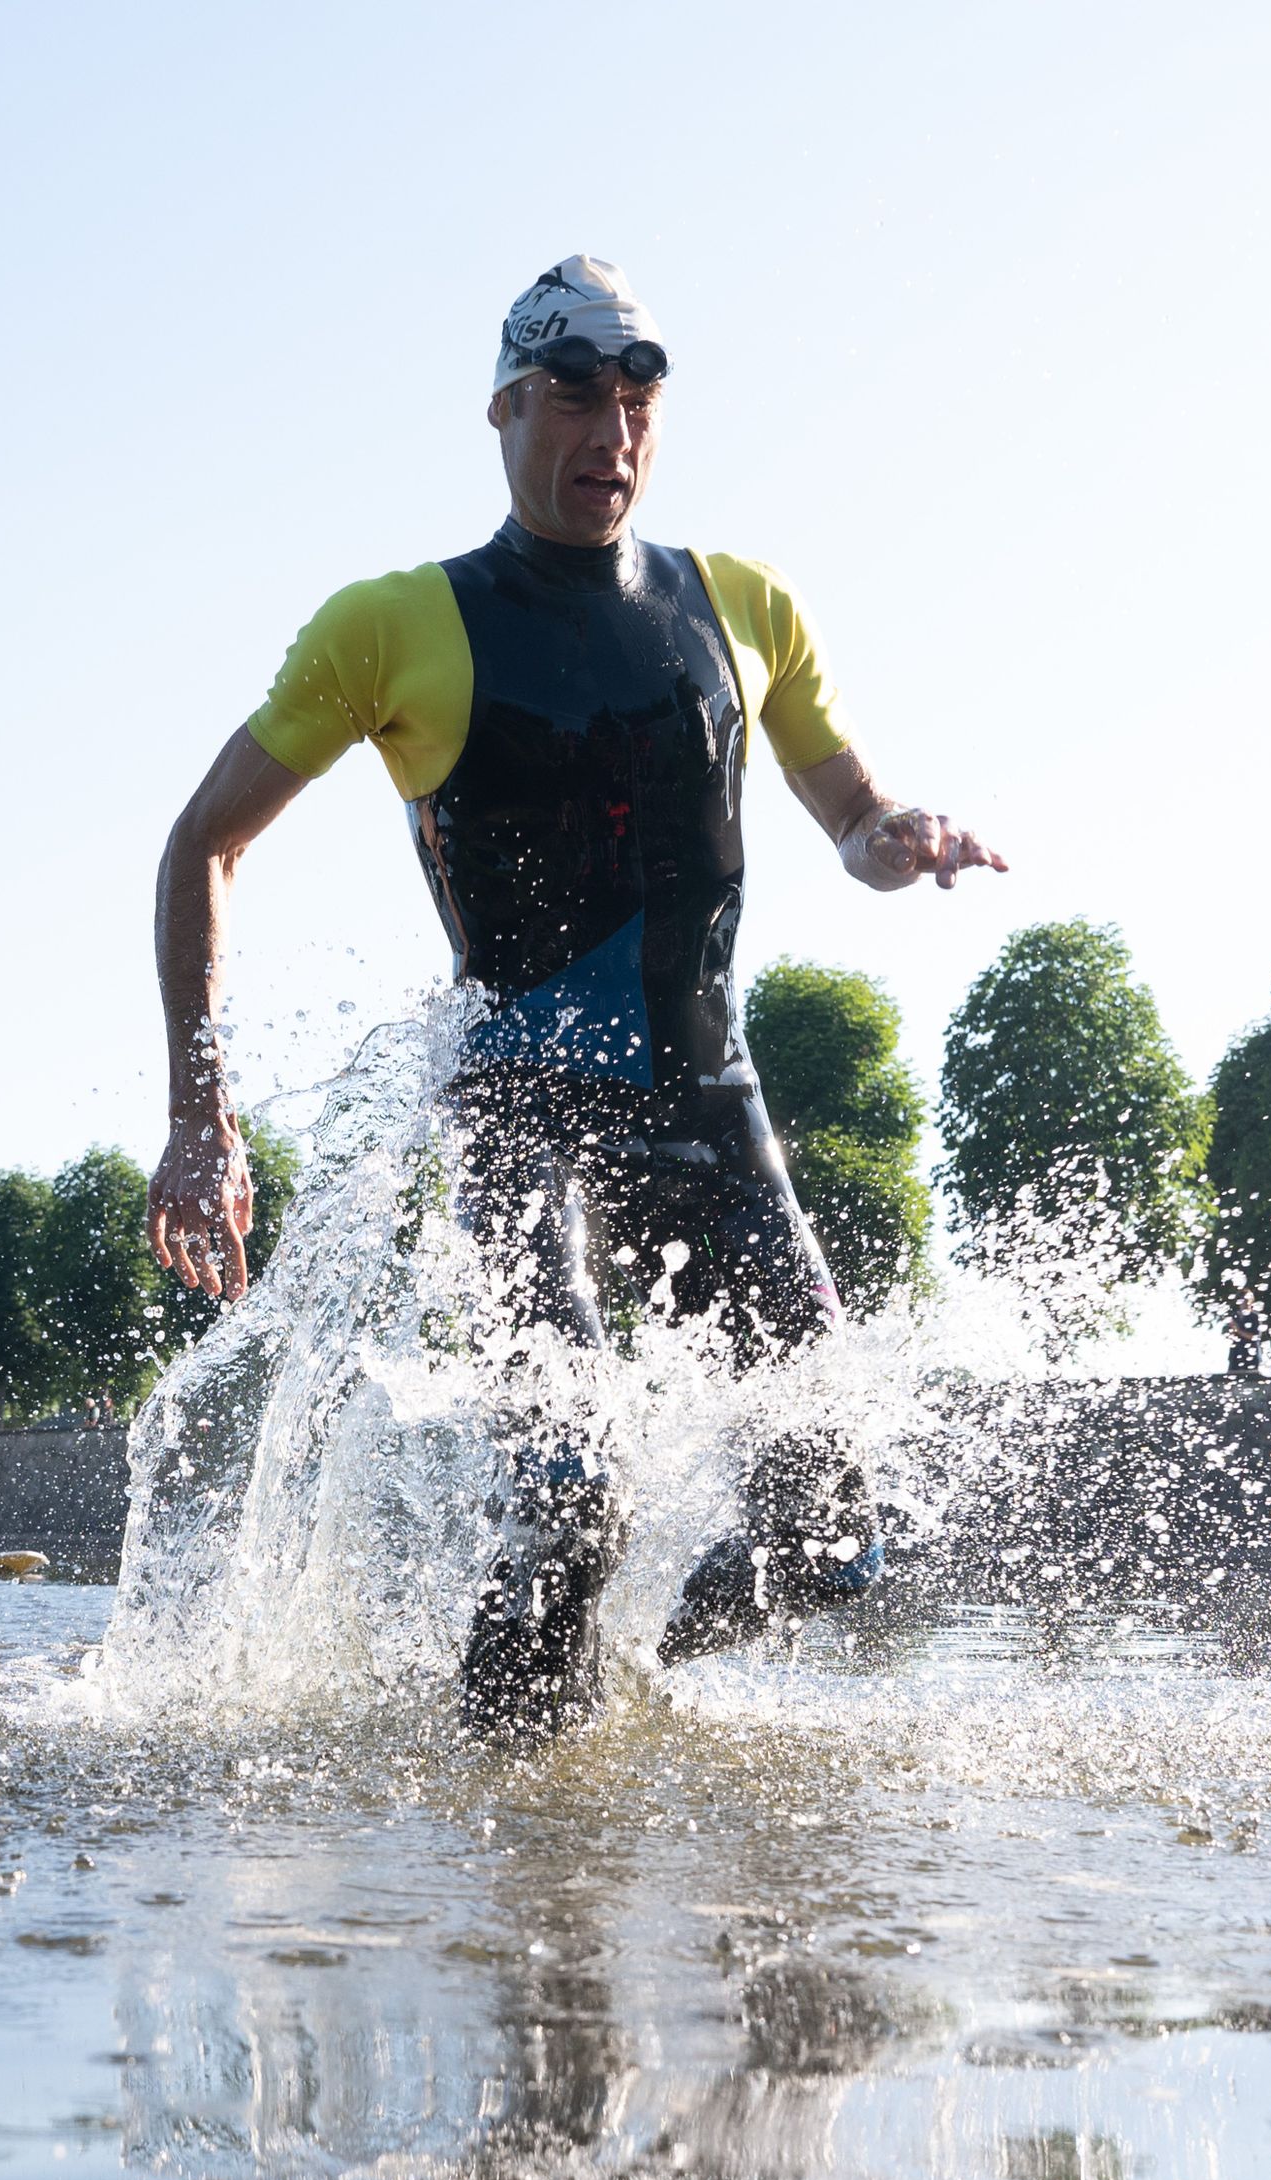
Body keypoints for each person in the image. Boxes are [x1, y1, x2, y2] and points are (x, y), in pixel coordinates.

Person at [146, 255, 1006, 1734]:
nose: (611, 425)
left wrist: (898, 835)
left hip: (707, 1106)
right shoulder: (394, 624)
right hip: (520, 1107)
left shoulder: (744, 606)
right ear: (503, 407)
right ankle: (507, 1844)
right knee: (571, 1499)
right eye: (575, 391)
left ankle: (626, 1700)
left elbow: (849, 813)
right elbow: (203, 842)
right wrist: (198, 1116)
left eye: (639, 395)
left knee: (832, 1532)